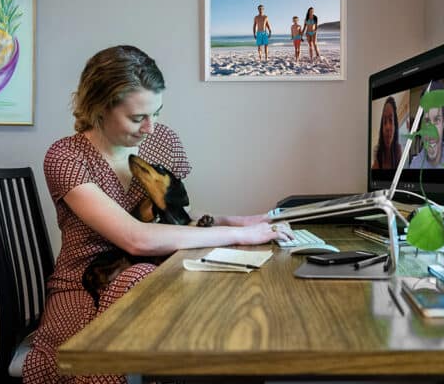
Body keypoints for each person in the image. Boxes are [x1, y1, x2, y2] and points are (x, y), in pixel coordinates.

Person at [23, 45, 293, 383]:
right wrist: (239, 236)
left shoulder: (162, 141)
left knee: (213, 320)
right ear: (99, 109)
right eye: (138, 118)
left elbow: (178, 216)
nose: (151, 127)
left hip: (153, 278)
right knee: (137, 299)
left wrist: (237, 221)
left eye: (157, 113)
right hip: (82, 285)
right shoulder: (66, 156)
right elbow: (135, 238)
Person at [372, 96, 402, 169]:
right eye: (384, 122)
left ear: (395, 127)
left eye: (391, 120)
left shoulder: (398, 152)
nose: (387, 127)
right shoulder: (377, 153)